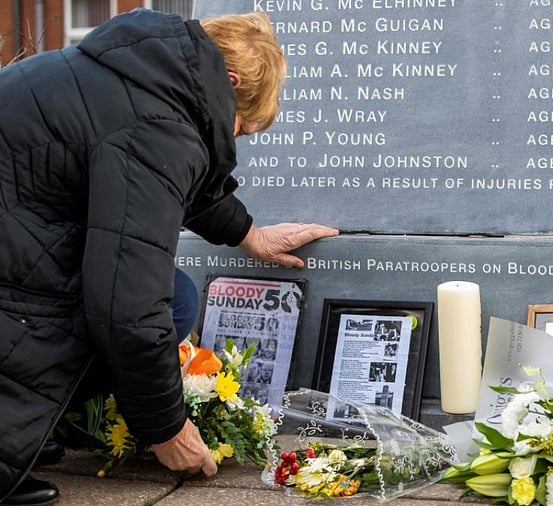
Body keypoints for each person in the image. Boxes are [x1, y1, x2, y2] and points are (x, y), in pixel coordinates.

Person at [0, 8, 338, 505]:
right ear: (230, 83)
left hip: (17, 240)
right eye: (241, 127)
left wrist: (249, 233)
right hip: (14, 271)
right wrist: (168, 430)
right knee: (167, 300)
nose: (235, 141)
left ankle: (37, 426)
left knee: (172, 293)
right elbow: (128, 305)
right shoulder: (160, 124)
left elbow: (167, 180)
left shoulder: (138, 74)